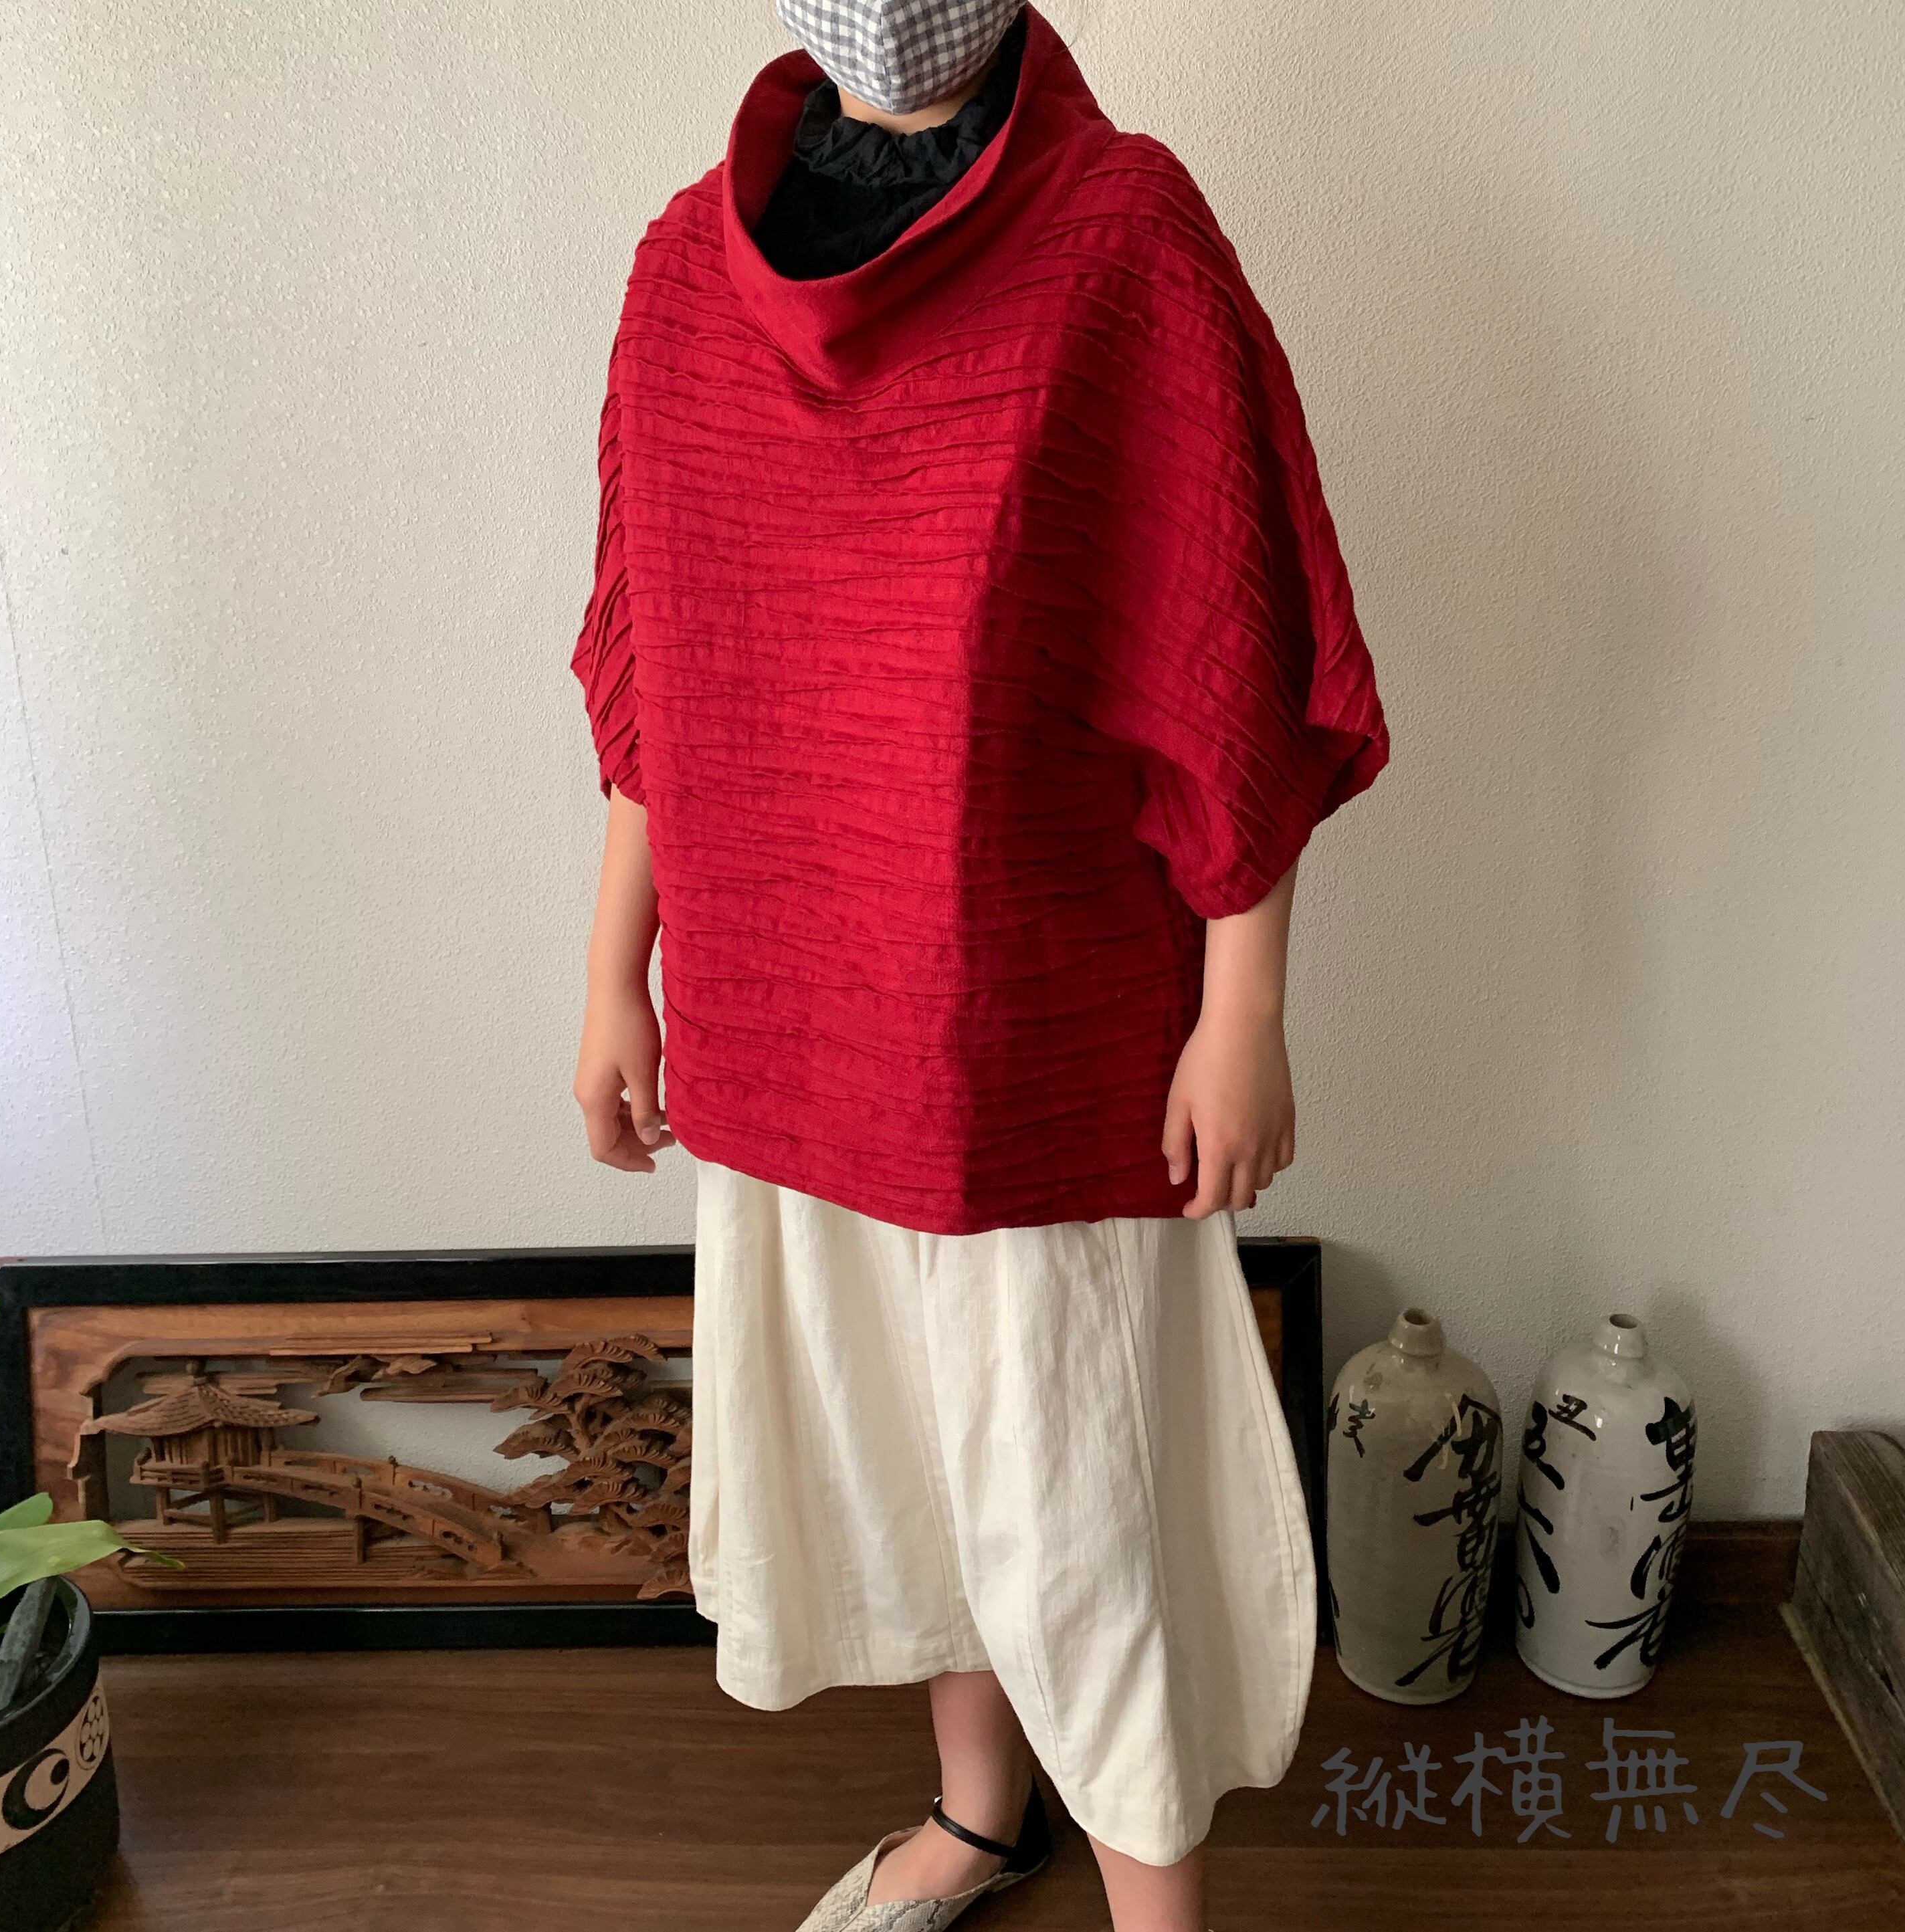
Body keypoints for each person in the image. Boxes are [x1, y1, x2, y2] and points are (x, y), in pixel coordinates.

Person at [569, 5, 1389, 1928]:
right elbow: (661, 659)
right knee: (906, 1460)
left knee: (1078, 1510)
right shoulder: (685, 273)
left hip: (1033, 1029)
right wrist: (617, 968)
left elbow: (1226, 641)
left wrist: (1245, 1006)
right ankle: (977, 1810)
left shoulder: (1124, 239)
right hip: (788, 1013)